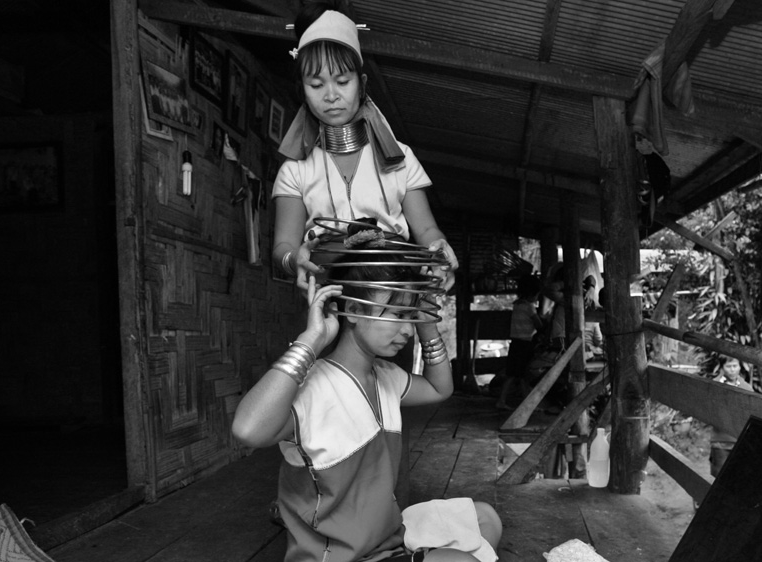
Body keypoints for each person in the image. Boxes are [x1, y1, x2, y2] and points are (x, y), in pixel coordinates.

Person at [232, 234, 501, 561]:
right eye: (397, 315)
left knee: (486, 518)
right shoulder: (315, 387)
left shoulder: (386, 376)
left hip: (389, 536)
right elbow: (248, 429)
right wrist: (311, 339)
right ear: (355, 310)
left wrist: (425, 318)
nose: (406, 331)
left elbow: (439, 388)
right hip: (343, 556)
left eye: (409, 317)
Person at [271, 2, 458, 292]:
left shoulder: (402, 158)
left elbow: (425, 230)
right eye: (316, 85)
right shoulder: (294, 170)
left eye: (342, 81)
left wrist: (438, 248)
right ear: (302, 90)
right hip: (329, 295)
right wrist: (294, 258)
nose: (331, 95)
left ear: (362, 83)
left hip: (393, 297)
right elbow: (283, 245)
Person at [497, 275, 543, 410]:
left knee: (518, 375)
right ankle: (503, 401)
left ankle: (527, 404)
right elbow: (539, 325)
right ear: (532, 294)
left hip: (515, 343)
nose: (537, 298)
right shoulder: (529, 307)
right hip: (524, 345)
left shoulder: (517, 305)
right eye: (537, 295)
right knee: (518, 375)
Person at [709, 356, 753, 477]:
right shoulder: (714, 385)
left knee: (740, 476)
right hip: (720, 440)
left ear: (740, 367)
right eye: (728, 366)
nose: (732, 370)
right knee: (719, 476)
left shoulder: (746, 388)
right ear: (722, 368)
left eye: (735, 366)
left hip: (740, 440)